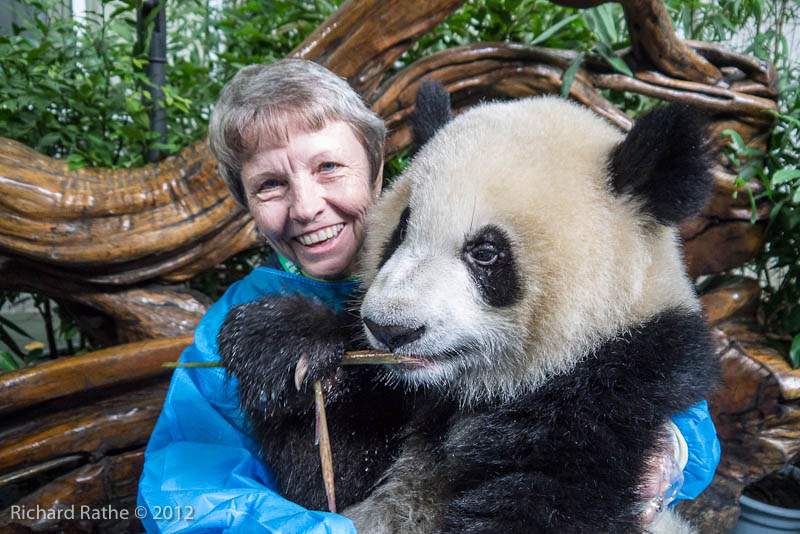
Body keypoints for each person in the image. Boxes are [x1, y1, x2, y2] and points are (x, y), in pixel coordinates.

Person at [137, 59, 720, 533]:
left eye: (329, 167)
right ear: (244, 201)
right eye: (270, 184)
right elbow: (184, 492)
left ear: (378, 168)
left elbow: (683, 423)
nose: (307, 206)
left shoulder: (601, 303)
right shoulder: (238, 316)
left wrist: (669, 451)